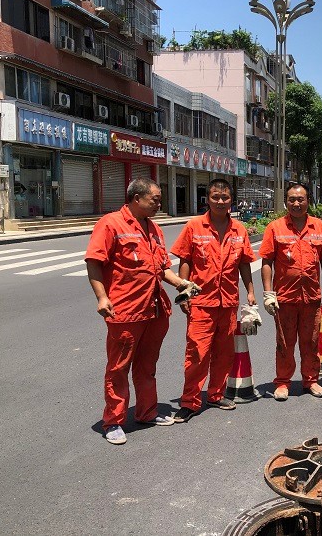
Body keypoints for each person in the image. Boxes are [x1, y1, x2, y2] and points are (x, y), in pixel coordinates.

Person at [85, 177, 201, 445]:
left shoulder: (155, 229)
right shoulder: (111, 224)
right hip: (125, 310)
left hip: (154, 309)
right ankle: (113, 421)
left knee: (147, 366)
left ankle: (147, 412)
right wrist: (102, 298)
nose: (159, 204)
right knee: (118, 368)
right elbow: (94, 262)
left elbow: (163, 269)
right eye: (155, 200)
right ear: (136, 198)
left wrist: (183, 283)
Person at [170, 178, 257, 423]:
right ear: (207, 199)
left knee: (224, 352)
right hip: (201, 301)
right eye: (215, 197)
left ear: (232, 200)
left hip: (228, 301)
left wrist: (250, 291)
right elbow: (185, 260)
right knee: (197, 353)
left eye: (225, 197)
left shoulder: (239, 229)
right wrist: (183, 291)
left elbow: (244, 264)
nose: (220, 201)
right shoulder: (194, 226)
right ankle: (190, 401)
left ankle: (216, 394)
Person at [259, 183, 322, 401]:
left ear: (308, 201)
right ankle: (283, 382)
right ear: (286, 201)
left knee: (311, 342)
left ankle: (311, 380)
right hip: (285, 297)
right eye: (292, 199)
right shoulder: (275, 227)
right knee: (285, 342)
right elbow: (267, 261)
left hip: (311, 297)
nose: (296, 203)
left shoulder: (320, 227)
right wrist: (268, 293)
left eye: (300, 199)